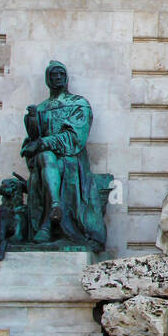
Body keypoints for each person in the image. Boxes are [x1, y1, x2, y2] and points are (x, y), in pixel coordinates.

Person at [21, 61, 110, 251]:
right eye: (54, 75)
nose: (58, 78)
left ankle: (48, 221)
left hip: (72, 160)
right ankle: (54, 206)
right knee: (45, 157)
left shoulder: (78, 103)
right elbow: (33, 140)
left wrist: (43, 143)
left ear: (66, 77)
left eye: (61, 74)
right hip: (45, 162)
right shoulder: (42, 107)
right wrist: (32, 121)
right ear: (48, 79)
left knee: (48, 157)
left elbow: (76, 137)